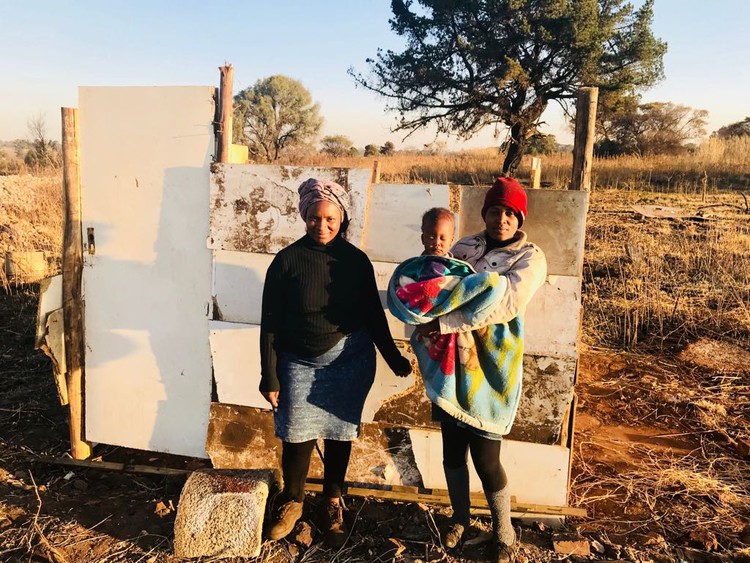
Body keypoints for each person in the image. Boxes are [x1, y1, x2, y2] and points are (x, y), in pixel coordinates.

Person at [388, 177, 547, 562]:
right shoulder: (464, 246)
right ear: (485, 213)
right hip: (449, 363)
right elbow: (438, 287)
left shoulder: (530, 258)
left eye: (510, 212)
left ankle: (504, 531)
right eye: (495, 210)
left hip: (491, 367)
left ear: (520, 217)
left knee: (487, 458)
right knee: (452, 450)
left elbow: (503, 303)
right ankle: (459, 519)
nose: (502, 218)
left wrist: (440, 323)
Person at [259, 178, 412, 548]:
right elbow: (271, 322)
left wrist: (393, 357)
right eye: (314, 218)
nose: (322, 226)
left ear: (341, 218)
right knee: (296, 434)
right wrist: (270, 375)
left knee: (340, 433)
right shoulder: (286, 261)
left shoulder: (355, 262)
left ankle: (331, 500)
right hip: (298, 361)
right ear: (304, 216)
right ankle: (292, 501)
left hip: (349, 360)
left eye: (330, 218)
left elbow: (374, 315)